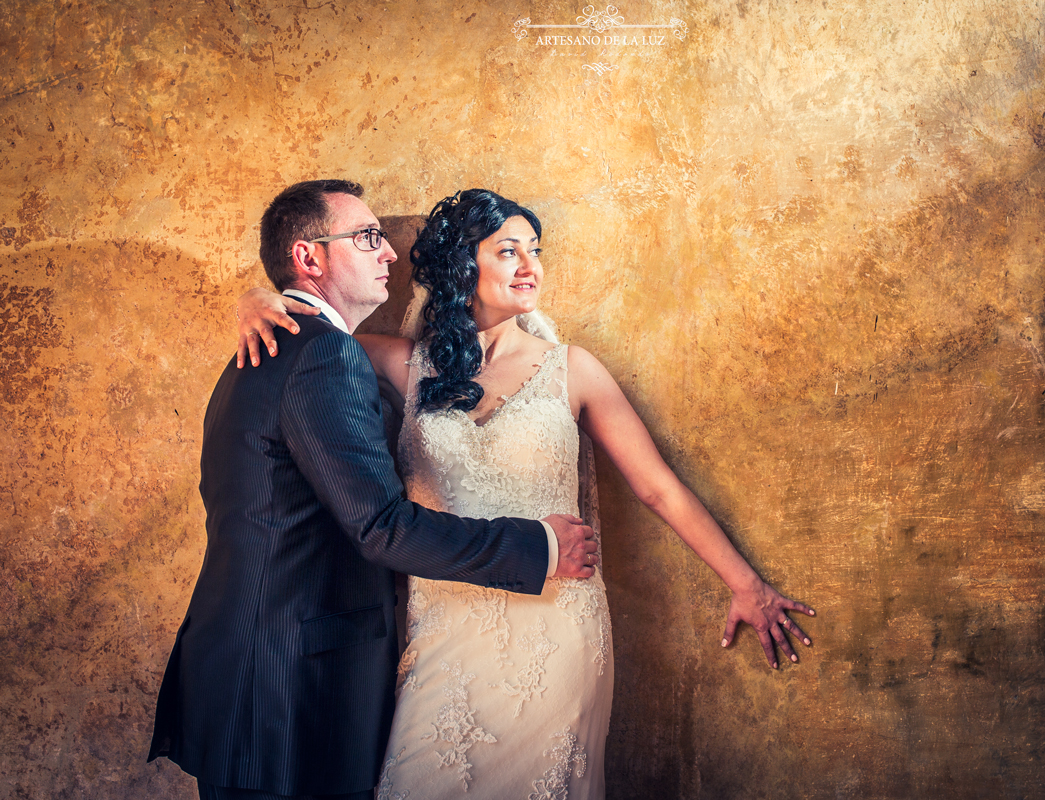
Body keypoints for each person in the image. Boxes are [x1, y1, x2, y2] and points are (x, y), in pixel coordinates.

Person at [236, 189, 816, 798]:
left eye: (534, 251)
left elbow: (657, 489)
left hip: (555, 625)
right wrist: (252, 300)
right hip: (445, 629)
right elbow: (313, 331)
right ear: (464, 266)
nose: (529, 266)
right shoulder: (406, 364)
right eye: (508, 251)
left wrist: (746, 585)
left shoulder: (574, 370)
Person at [147, 180, 600, 800]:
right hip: (291, 682)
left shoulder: (280, 346)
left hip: (247, 667)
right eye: (367, 238)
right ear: (309, 259)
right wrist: (540, 548)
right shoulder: (320, 355)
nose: (390, 253)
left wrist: (256, 297)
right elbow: (381, 526)